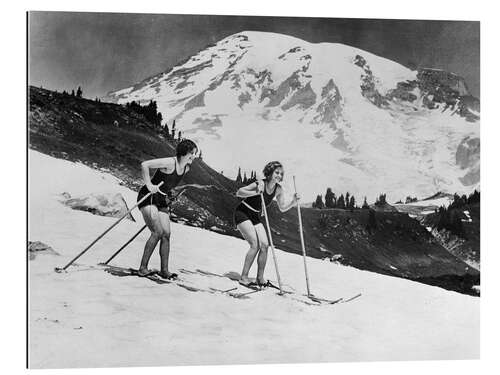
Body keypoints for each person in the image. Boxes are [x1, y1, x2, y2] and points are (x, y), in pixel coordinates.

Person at [136, 139, 198, 279]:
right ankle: (143, 268)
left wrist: (169, 195)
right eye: (192, 153)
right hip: (148, 196)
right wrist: (149, 184)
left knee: (166, 234)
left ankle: (164, 270)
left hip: (161, 199)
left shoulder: (185, 168)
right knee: (157, 232)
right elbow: (145, 165)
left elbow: (169, 182)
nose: (194, 156)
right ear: (184, 153)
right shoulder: (170, 162)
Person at [234, 161, 300, 287]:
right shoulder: (260, 183)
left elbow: (282, 208)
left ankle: (260, 278)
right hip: (242, 212)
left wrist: (293, 202)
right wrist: (255, 192)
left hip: (255, 216)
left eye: (281, 174)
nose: (279, 175)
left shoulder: (278, 189)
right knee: (255, 244)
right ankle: (243, 277)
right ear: (269, 172)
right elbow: (239, 192)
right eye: (277, 172)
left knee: (265, 245)